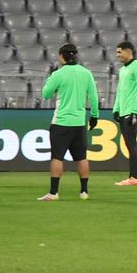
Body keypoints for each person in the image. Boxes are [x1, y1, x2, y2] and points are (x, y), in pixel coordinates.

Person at [39, 42, 100, 201]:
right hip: (79, 123)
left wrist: (50, 78)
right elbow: (93, 97)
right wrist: (94, 116)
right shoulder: (86, 73)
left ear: (61, 56)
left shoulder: (58, 74)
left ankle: (53, 193)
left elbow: (45, 94)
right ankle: (84, 192)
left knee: (57, 157)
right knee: (81, 157)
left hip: (61, 122)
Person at [113, 41, 137, 186]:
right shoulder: (123, 70)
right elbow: (121, 91)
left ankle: (135, 177)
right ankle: (134, 176)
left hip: (133, 111)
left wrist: (135, 111)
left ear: (128, 51)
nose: (117, 55)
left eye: (119, 52)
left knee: (131, 144)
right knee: (129, 144)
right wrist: (116, 108)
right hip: (124, 111)